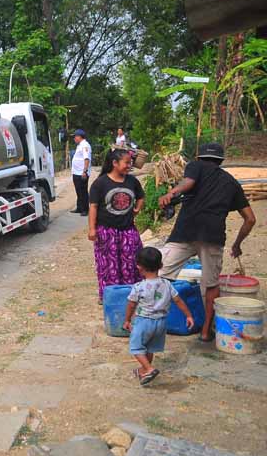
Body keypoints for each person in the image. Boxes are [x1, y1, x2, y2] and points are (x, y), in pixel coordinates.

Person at [157, 142, 256, 342]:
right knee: (210, 285)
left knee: (160, 275)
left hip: (185, 231)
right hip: (212, 236)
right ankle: (205, 332)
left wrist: (171, 193)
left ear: (200, 157)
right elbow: (251, 219)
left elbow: (189, 182)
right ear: (220, 161)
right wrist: (237, 245)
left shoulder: (195, 165)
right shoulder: (232, 183)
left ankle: (154, 322)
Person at [124, 247, 195, 385]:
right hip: (161, 323)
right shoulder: (167, 284)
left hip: (144, 321)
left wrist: (127, 320)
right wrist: (189, 316)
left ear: (139, 267)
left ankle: (149, 368)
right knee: (149, 347)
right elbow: (178, 300)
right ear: (161, 266)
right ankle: (144, 370)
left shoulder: (139, 287)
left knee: (136, 347)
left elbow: (131, 304)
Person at [88, 149, 145, 302]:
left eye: (130, 162)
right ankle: (109, 297)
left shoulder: (132, 181)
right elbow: (93, 207)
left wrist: (137, 209)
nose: (129, 165)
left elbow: (140, 197)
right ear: (114, 163)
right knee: (108, 265)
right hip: (106, 232)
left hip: (128, 231)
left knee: (132, 262)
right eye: (126, 162)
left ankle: (132, 295)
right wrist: (92, 229)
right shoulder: (100, 184)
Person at [70, 129, 92, 216]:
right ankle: (79, 207)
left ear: (79, 136)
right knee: (78, 191)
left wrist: (84, 171)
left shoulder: (85, 145)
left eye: (75, 136)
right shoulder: (79, 145)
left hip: (81, 173)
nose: (74, 138)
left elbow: (87, 159)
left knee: (83, 191)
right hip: (76, 172)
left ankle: (85, 209)